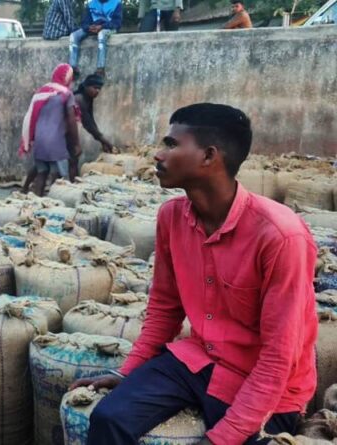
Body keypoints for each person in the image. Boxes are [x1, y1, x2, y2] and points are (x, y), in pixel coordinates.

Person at [71, 103, 318, 445]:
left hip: (263, 383)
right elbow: (164, 308)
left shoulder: (280, 236)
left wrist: (223, 437)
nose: (158, 155)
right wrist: (126, 371)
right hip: (197, 360)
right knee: (108, 418)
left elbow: (278, 356)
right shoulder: (171, 217)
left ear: (209, 156)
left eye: (171, 144)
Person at [19, 64, 80, 194]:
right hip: (55, 142)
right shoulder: (66, 94)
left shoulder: (42, 91)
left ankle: (34, 205)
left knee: (41, 174)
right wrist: (76, 144)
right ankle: (54, 207)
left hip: (39, 140)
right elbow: (71, 120)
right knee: (59, 177)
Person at [69, 0, 123, 78]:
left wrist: (102, 27)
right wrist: (89, 27)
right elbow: (84, 22)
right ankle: (72, 67)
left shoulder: (117, 3)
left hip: (109, 28)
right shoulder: (91, 4)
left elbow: (117, 23)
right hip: (93, 28)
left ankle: (100, 68)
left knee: (101, 35)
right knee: (74, 36)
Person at [74, 74, 114, 162]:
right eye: (95, 88)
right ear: (86, 87)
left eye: (99, 88)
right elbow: (87, 122)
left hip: (66, 133)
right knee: (71, 162)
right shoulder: (79, 99)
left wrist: (101, 139)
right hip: (60, 133)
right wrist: (103, 140)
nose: (97, 91)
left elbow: (91, 119)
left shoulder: (88, 99)